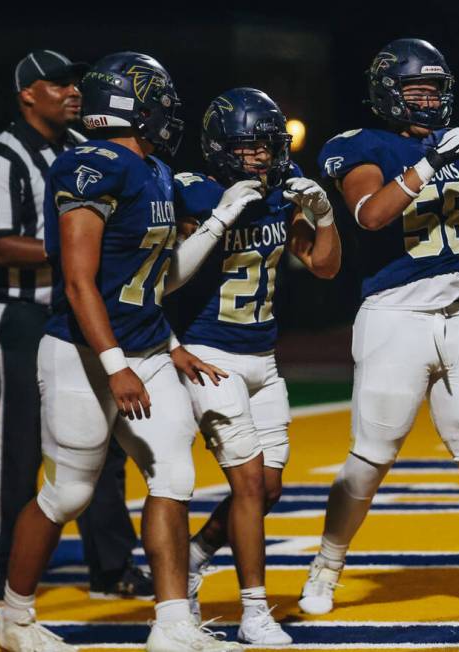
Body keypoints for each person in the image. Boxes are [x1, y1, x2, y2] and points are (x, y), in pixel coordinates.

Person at [0, 51, 242, 652]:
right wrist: (115, 365)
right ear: (128, 107)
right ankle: (15, 619)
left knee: (174, 474)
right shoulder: (91, 166)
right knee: (69, 494)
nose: (167, 113)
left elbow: (153, 281)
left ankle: (173, 623)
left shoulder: (151, 169)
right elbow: (79, 283)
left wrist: (211, 231)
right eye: (157, 101)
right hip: (85, 353)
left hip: (147, 348)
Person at [298, 38, 459, 615]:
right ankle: (326, 565)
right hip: (396, 316)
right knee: (370, 459)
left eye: (435, 90)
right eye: (415, 90)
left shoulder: (449, 147)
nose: (427, 102)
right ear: (386, 94)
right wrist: (431, 163)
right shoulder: (358, 146)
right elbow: (370, 214)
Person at [0, 49, 150, 604]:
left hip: (80, 311)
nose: (74, 92)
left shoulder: (85, 150)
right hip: (22, 314)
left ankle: (111, 566)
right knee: (20, 440)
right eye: (58, 84)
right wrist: (73, 252)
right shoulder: (2, 156)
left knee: (104, 440)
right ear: (27, 93)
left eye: (77, 83)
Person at [165, 87, 341, 645]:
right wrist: (217, 219)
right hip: (212, 354)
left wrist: (326, 215)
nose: (261, 158)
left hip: (263, 355)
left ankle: (192, 556)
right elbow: (163, 279)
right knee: (246, 485)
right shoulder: (191, 193)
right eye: (248, 149)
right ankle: (254, 612)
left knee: (266, 490)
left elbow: (324, 267)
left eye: (267, 147)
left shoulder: (279, 194)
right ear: (220, 149)